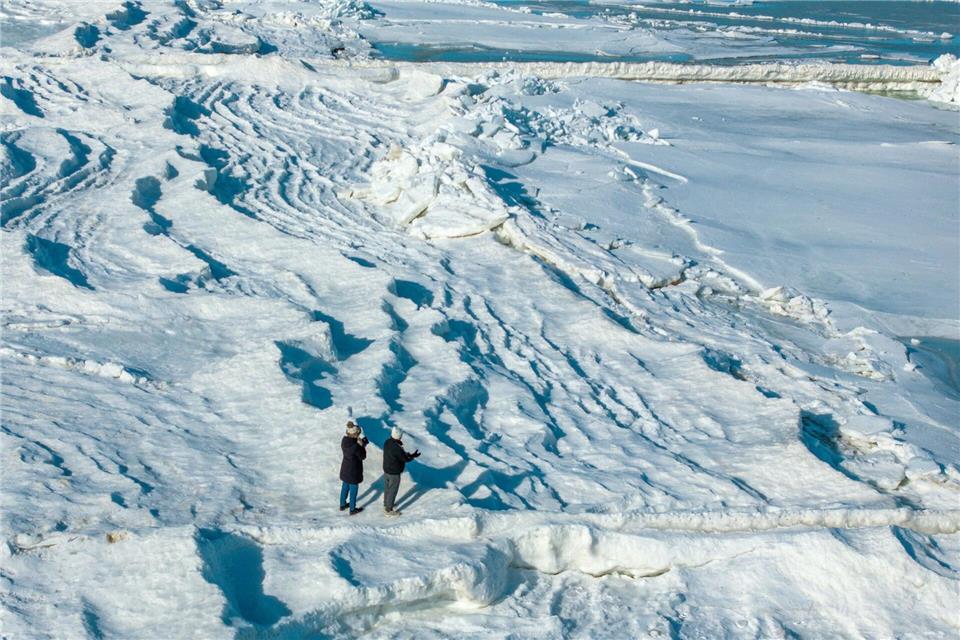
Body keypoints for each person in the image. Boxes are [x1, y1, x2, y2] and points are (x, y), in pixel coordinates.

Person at [382, 427, 420, 516]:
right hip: (394, 472)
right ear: (399, 436)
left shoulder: (387, 442)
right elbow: (404, 458)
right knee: (392, 490)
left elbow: (398, 455)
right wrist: (412, 456)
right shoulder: (396, 447)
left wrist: (410, 455)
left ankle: (386, 504)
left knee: (387, 488)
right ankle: (388, 510)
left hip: (387, 469)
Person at [339, 421, 368, 515]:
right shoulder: (356, 446)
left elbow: (352, 449)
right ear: (355, 434)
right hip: (354, 471)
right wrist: (362, 446)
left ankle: (342, 505)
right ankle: (352, 509)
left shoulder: (344, 440)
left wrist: (359, 444)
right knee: (353, 489)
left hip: (345, 468)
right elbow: (362, 456)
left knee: (345, 486)